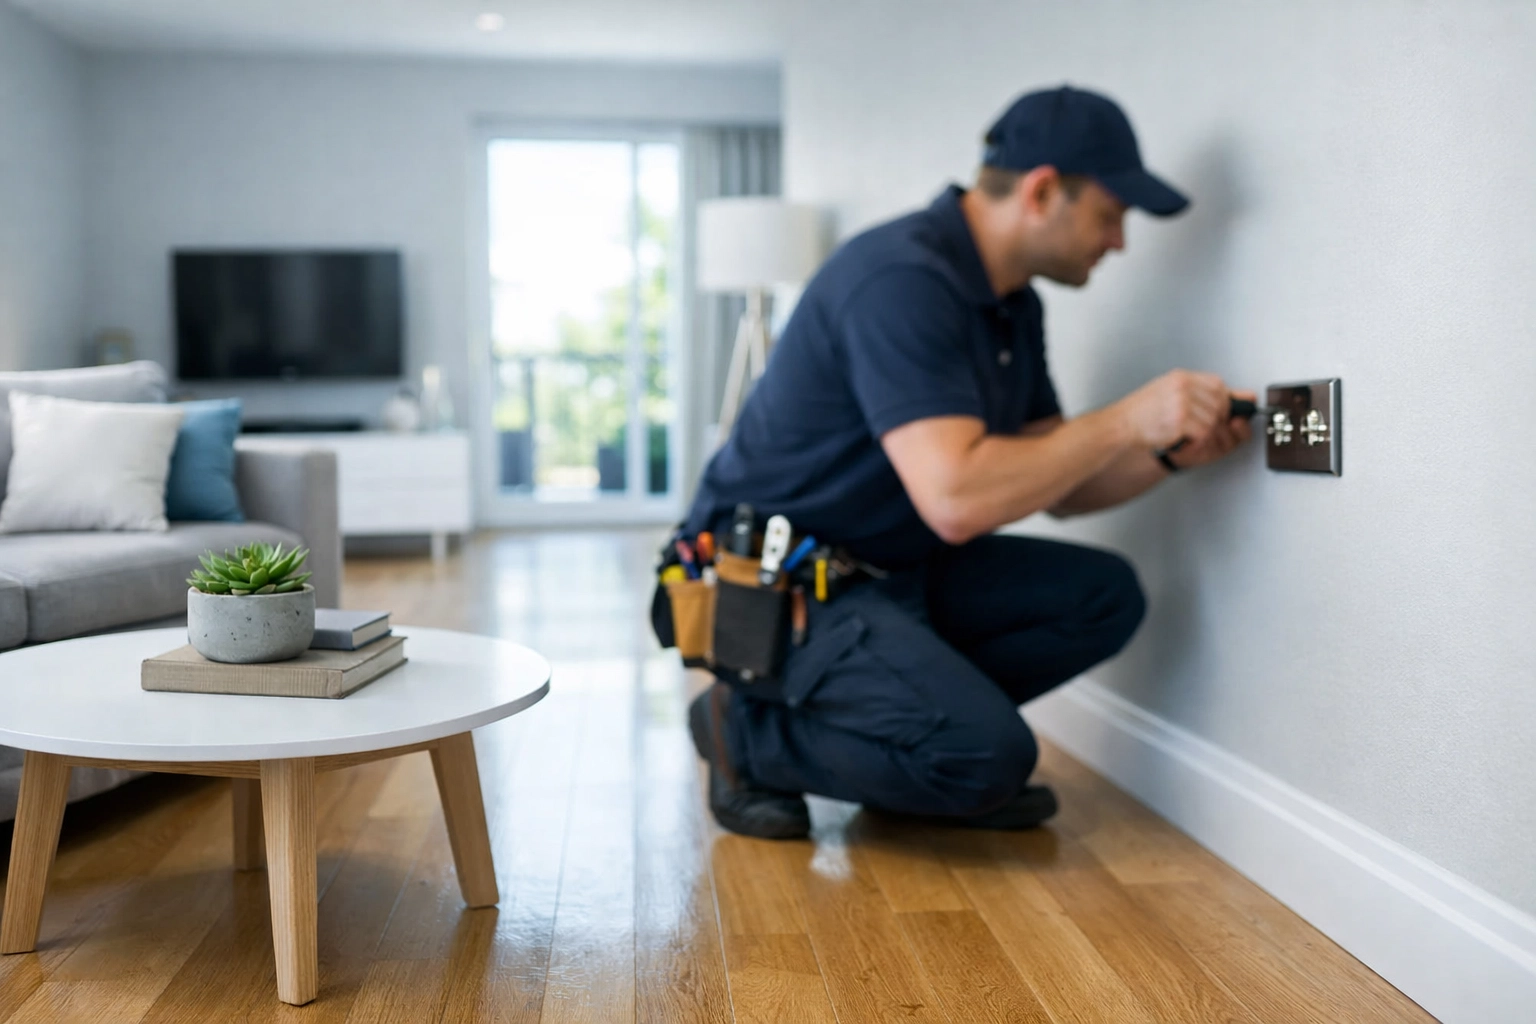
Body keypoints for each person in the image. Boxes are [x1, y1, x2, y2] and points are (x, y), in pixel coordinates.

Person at [682, 85, 1255, 839]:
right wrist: (1123, 420)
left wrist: (1168, 457)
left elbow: (1063, 484)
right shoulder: (900, 281)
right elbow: (957, 500)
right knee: (986, 762)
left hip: (893, 570)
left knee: (1104, 596)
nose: (1119, 242)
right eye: (1111, 216)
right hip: (776, 586)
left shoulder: (1013, 302)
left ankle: (914, 747)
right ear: (1044, 191)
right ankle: (742, 732)